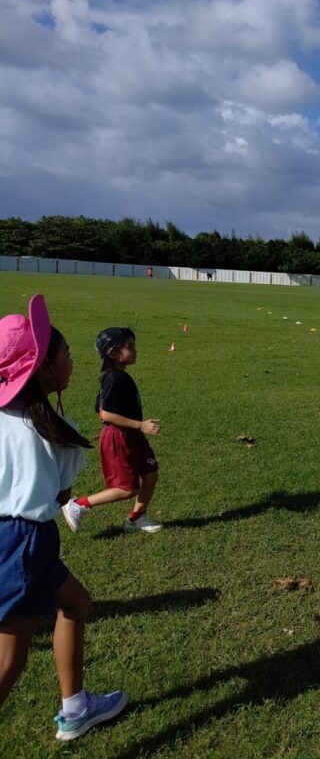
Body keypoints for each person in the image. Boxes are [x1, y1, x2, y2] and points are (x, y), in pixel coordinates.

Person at [0, 295, 128, 740]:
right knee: (8, 662)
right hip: (23, 542)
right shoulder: (58, 432)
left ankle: (75, 708)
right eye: (67, 355)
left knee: (74, 602)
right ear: (45, 370)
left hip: (16, 540)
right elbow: (60, 497)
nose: (73, 362)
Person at [63, 328, 163, 533]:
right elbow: (105, 415)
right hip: (119, 438)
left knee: (150, 475)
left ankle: (136, 518)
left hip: (133, 436)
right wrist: (140, 424)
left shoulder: (119, 377)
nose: (135, 351)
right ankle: (79, 504)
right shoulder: (114, 379)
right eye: (129, 347)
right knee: (127, 489)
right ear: (113, 353)